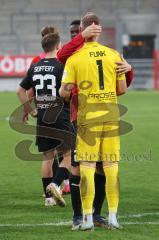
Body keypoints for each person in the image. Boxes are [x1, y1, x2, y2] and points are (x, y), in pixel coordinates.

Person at [60, 20, 134, 229]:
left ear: (84, 30)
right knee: (110, 167)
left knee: (87, 167)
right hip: (111, 116)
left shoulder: (75, 58)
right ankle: (112, 217)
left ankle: (87, 219)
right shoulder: (114, 55)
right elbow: (122, 89)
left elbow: (65, 91)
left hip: (87, 117)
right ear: (99, 32)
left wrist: (67, 92)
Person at [17, 28, 73, 207]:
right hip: (59, 114)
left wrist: (30, 109)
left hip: (42, 115)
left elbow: (20, 90)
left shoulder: (35, 66)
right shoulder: (61, 65)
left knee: (47, 157)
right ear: (58, 46)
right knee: (69, 154)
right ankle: (55, 184)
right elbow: (65, 91)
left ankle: (48, 199)